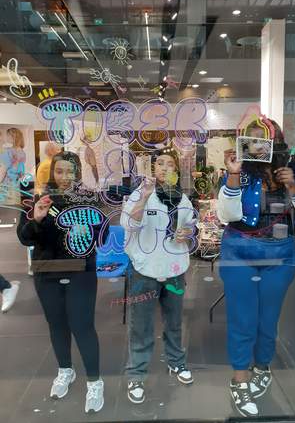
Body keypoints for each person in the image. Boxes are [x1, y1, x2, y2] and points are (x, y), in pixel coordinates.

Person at [216, 117, 295, 418]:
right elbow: (226, 214)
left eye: (263, 142)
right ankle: (239, 379)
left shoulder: (294, 170)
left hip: (280, 254)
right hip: (238, 250)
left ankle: (262, 367)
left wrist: (293, 184)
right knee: (242, 318)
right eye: (249, 142)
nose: (257, 148)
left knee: (268, 318)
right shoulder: (238, 170)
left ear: (276, 144)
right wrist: (233, 176)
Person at [17, 151, 105, 414]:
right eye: (60, 171)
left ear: (77, 173)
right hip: (47, 273)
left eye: (70, 171)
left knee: (82, 325)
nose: (65, 177)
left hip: (81, 272)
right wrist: (38, 218)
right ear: (52, 172)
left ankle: (94, 381)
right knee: (57, 325)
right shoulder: (38, 199)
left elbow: (103, 235)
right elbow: (24, 238)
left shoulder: (89, 198)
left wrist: (88, 227)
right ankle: (65, 370)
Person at [120, 148, 196, 404]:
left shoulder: (182, 199)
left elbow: (190, 229)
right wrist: (144, 196)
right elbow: (129, 225)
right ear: (153, 168)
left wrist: (187, 235)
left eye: (170, 165)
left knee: (174, 321)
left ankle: (177, 362)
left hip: (174, 272)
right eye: (160, 163)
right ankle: (137, 374)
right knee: (141, 325)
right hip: (145, 273)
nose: (164, 168)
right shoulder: (139, 194)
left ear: (176, 170)